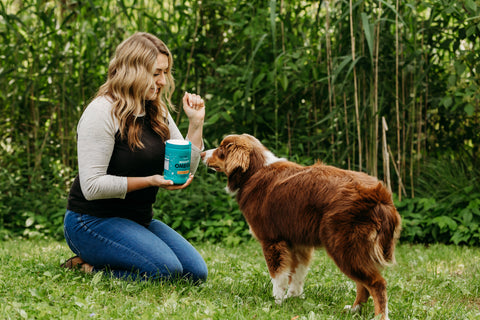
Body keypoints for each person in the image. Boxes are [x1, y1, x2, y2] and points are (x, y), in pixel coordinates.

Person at [61, 32, 208, 283]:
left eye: (165, 72)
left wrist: (195, 125)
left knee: (195, 274)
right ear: (132, 70)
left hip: (137, 220)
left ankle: (125, 250)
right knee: (165, 271)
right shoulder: (101, 112)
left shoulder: (156, 109)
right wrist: (150, 180)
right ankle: (88, 267)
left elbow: (183, 167)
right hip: (90, 221)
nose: (163, 81)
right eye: (155, 73)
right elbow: (92, 186)